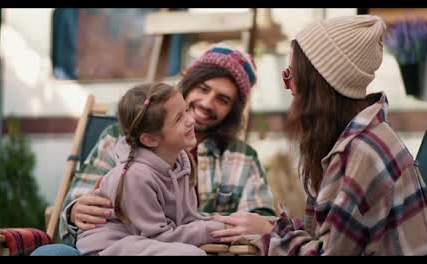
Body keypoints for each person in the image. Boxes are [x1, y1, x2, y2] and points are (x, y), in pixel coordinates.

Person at [210, 15, 427, 256]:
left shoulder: (363, 154)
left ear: (317, 87)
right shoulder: (361, 137)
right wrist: (274, 228)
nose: (287, 86)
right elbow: (330, 232)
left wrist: (268, 238)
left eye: (291, 75)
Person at [31, 45, 276, 256]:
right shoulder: (121, 140)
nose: (207, 103)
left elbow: (264, 219)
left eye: (222, 100)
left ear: (232, 111)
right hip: (118, 245)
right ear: (188, 86)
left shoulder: (241, 157)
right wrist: (75, 212)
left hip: (189, 250)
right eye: (203, 88)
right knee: (50, 253)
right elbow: (78, 204)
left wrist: (258, 225)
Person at [76, 83, 226, 255]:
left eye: (185, 110)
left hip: (146, 241)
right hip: (109, 246)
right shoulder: (136, 176)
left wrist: (223, 224)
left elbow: (187, 220)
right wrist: (209, 231)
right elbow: (158, 237)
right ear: (150, 140)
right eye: (179, 118)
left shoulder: (181, 162)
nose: (191, 120)